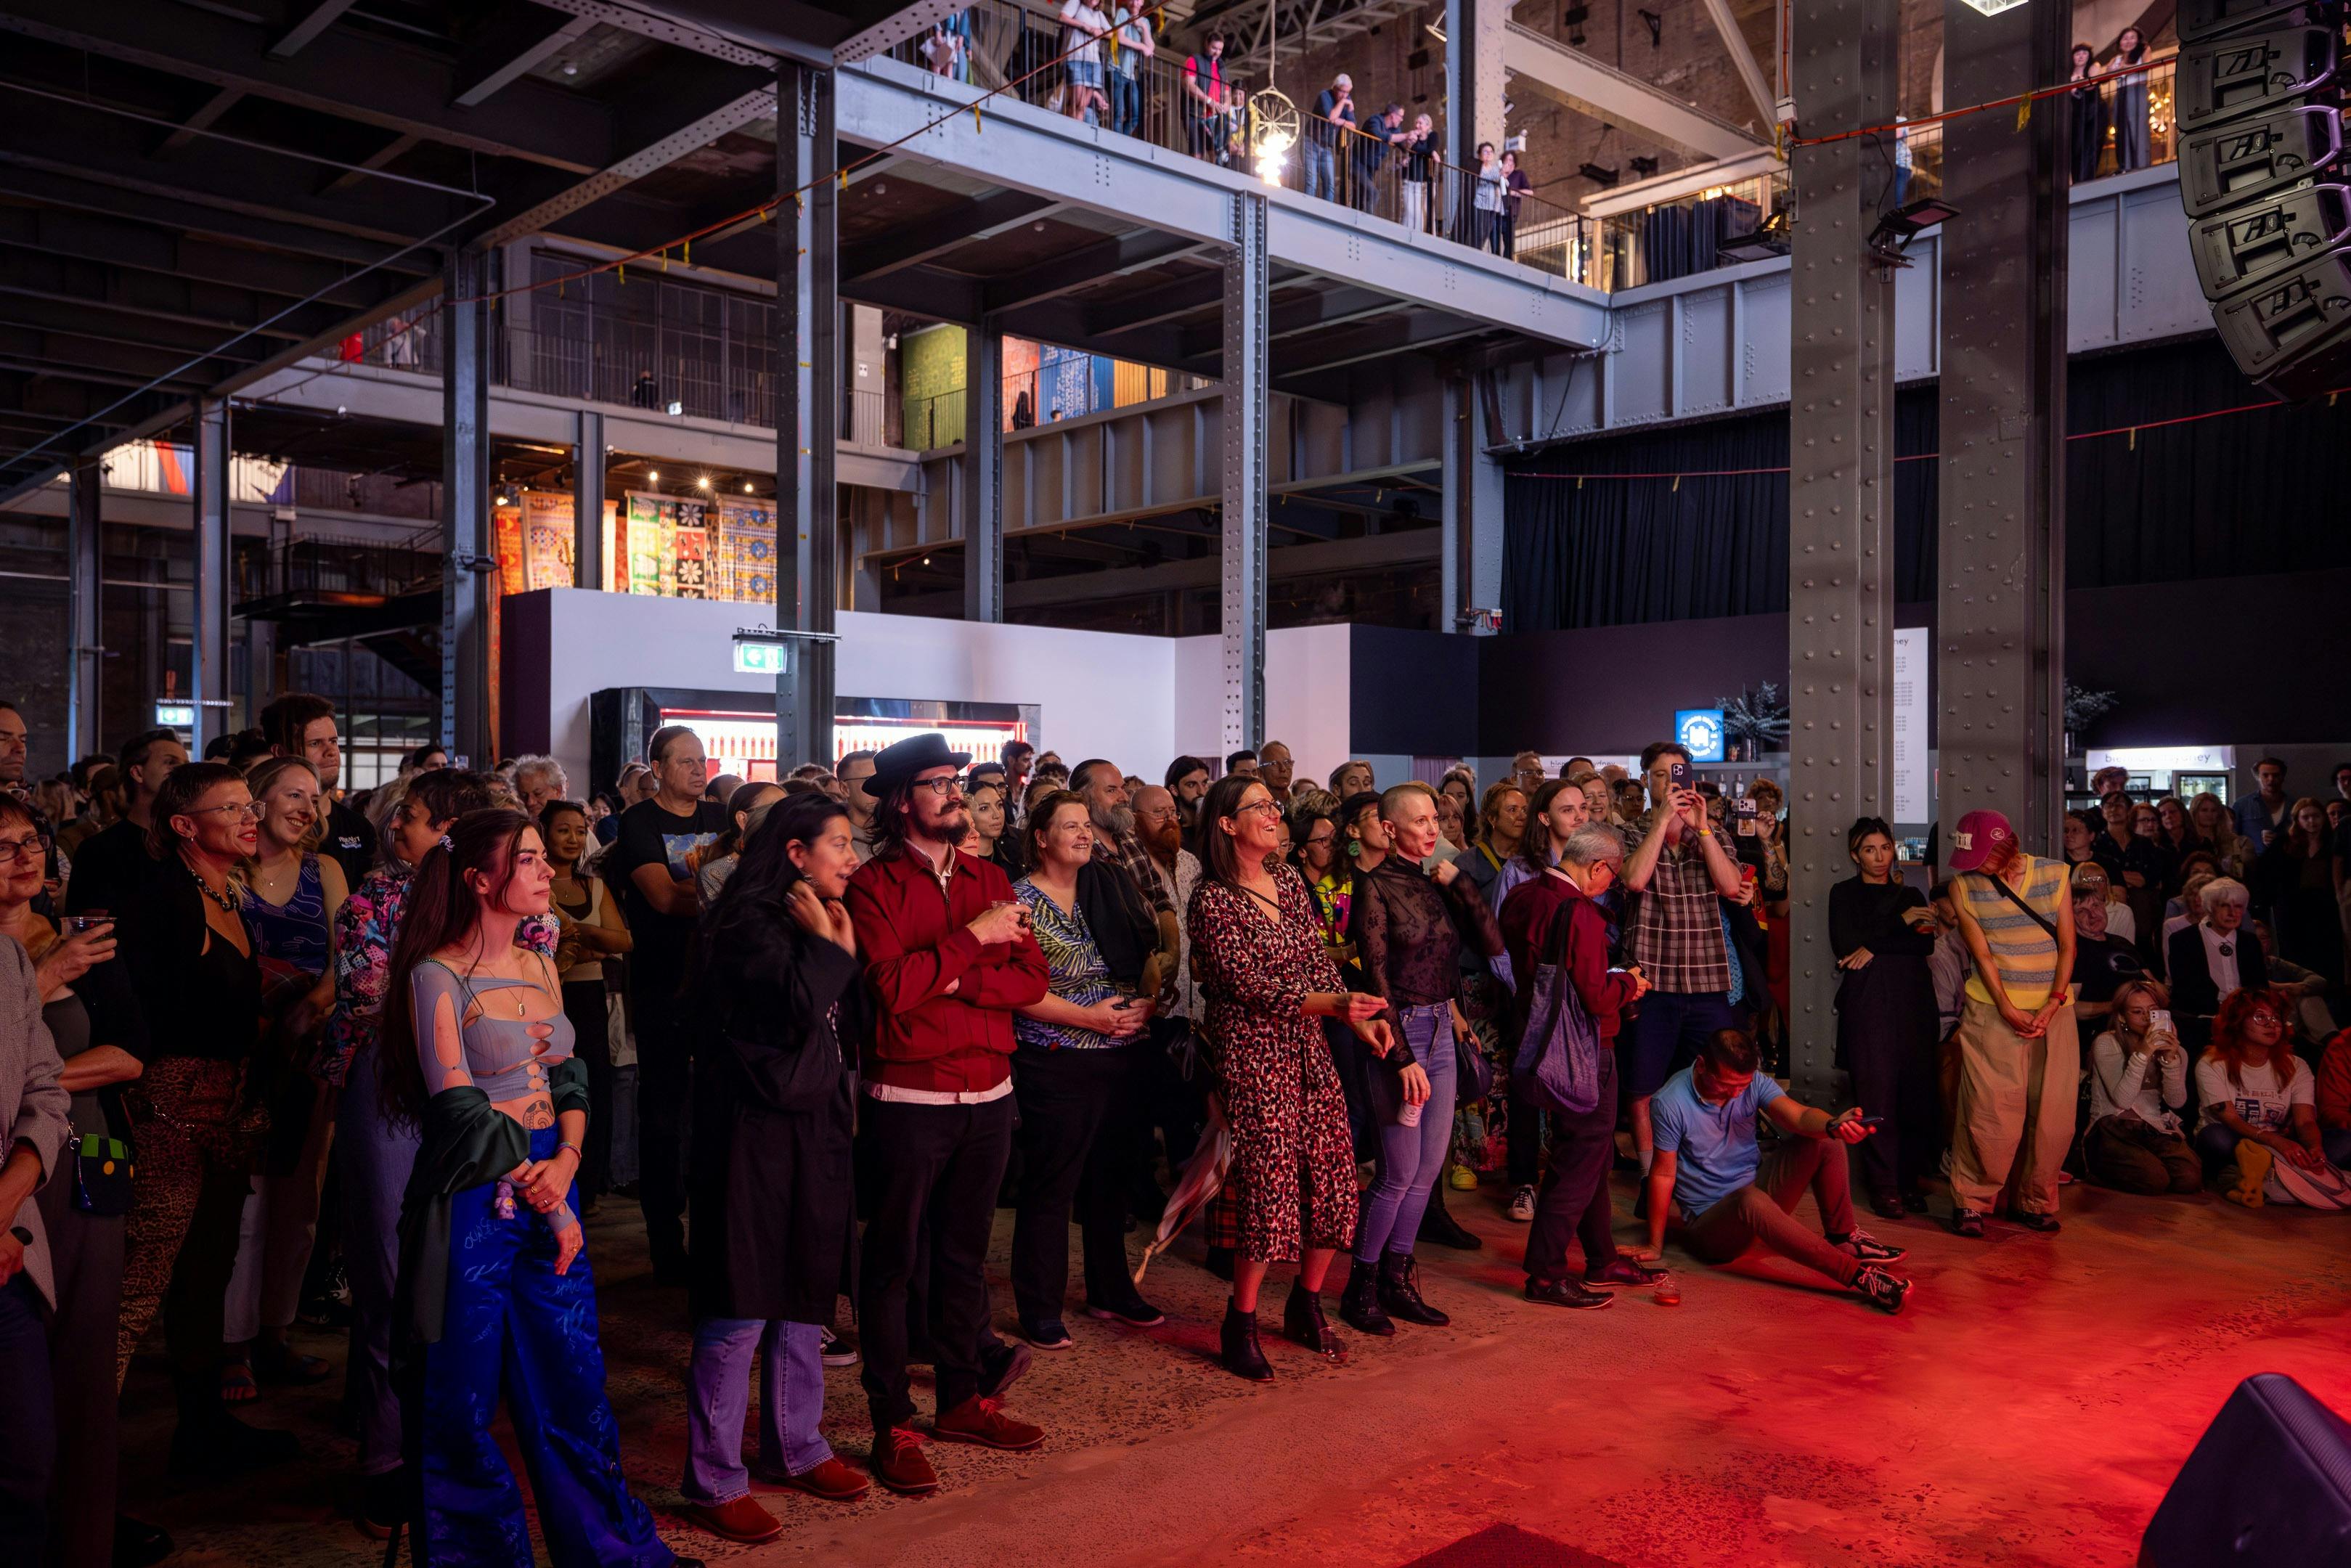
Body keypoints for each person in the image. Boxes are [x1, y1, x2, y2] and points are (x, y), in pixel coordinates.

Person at [382, 809, 684, 1564]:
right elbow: (454, 1101)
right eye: (528, 859)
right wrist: (537, 1181)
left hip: (554, 1173)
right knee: (461, 1396)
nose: (549, 870)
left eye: (544, 857)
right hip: (475, 1196)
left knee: (573, 1378)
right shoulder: (434, 974)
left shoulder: (542, 960)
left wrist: (567, 1168)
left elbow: (572, 1076)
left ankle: (612, 1551)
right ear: (480, 880)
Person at [844, 733, 1048, 1494]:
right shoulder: (872, 886)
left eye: (957, 781)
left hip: (989, 1092)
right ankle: (891, 1422)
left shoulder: (990, 874)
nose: (955, 793)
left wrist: (954, 980)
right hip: (909, 1098)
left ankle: (963, 1399)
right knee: (893, 1267)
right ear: (902, 801)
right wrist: (973, 941)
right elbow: (891, 989)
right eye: (939, 783)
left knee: (965, 1261)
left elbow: (1029, 979)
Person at [323, 767, 522, 1533]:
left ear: (452, 829)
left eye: (405, 814)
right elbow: (372, 1001)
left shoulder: (516, 905)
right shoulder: (375, 899)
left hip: (492, 1094)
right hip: (393, 1087)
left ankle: (455, 1442)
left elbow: (530, 999)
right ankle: (384, 1455)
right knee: (390, 1274)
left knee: (473, 1270)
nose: (391, 826)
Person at [679, 794, 873, 1543]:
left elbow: (843, 1022)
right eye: (838, 844)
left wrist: (838, 950)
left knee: (804, 1287)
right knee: (741, 1297)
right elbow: (795, 1007)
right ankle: (713, 1478)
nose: (852, 857)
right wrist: (833, 952)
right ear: (795, 854)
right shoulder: (746, 923)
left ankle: (797, 1446)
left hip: (815, 1124)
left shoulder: (819, 917)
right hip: (752, 1128)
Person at [115, 763, 297, 1475]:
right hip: (170, 1112)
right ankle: (76, 1481)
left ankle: (201, 1428)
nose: (251, 818)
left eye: (250, 804)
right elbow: (140, 1013)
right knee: (139, 1287)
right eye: (232, 809)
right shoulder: (162, 901)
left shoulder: (231, 889)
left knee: (207, 1273)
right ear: (184, 825)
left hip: (228, 1108)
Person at [1186, 775, 1393, 1379]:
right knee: (1270, 1185)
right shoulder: (1213, 898)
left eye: (1276, 807)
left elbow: (1309, 962)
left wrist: (1355, 1020)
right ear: (1228, 823)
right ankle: (1242, 1320)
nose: (1276, 815)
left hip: (1307, 1041)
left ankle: (1306, 1303)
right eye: (1262, 807)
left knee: (1333, 1171)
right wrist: (1335, 1007)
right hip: (1252, 1050)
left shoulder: (1288, 882)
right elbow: (1245, 985)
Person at [1, 792, 155, 1568]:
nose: (29, 857)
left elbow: (130, 1054)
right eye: (7, 845)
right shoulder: (34, 957)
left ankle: (85, 1536)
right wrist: (43, 975)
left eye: (35, 842)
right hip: (16, 1165)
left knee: (85, 1354)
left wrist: (39, 1090)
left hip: (86, 1156)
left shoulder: (86, 939)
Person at [1339, 783, 1502, 1334]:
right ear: (1389, 829)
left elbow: (1492, 943)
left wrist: (1463, 884)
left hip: (1439, 1030)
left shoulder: (1436, 880)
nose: (1433, 829)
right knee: (1398, 1173)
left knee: (1428, 1171)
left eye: (1437, 818)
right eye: (1420, 821)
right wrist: (1401, 1057)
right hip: (1397, 1035)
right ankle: (1360, 1288)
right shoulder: (1374, 888)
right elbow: (1377, 976)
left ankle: (1398, 1279)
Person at [1008, 792, 1160, 1348]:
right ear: (1041, 838)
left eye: (1087, 826)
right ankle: (1041, 1305)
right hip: (1057, 1056)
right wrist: (1087, 1019)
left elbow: (1144, 962)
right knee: (1053, 1185)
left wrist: (1147, 1002)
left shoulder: (1110, 886)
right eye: (1069, 826)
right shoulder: (1017, 901)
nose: (1083, 834)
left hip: (1123, 1051)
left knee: (1113, 1181)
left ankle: (1110, 1289)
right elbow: (1015, 991)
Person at [220, 756, 348, 1403]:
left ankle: (275, 1332)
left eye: (315, 795)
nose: (308, 805)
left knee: (299, 1205)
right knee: (244, 1205)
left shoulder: (323, 870)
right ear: (258, 801)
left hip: (309, 1053)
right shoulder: (227, 871)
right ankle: (231, 1343)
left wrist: (313, 1009)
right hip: (242, 1057)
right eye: (293, 793)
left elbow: (347, 954)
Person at [1639, 1029, 1912, 1312]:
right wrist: (1654, 1244)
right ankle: (1859, 1276)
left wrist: (1833, 1124)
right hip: (1712, 1226)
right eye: (1725, 1085)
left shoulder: (1752, 1082)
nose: (1734, 1094)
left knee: (1826, 1142)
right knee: (1750, 1200)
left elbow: (1800, 1116)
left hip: (1758, 1198)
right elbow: (1663, 1174)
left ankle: (1843, 1238)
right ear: (1702, 1064)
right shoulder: (1670, 1101)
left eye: (1741, 1087)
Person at [1507, 823, 1661, 1309]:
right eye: (1613, 878)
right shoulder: (1580, 913)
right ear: (1599, 867)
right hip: (1587, 1049)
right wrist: (1629, 985)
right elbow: (1595, 997)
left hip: (1540, 1041)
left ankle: (1601, 1257)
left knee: (1586, 1156)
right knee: (1580, 1159)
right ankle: (1546, 1273)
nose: (1610, 886)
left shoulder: (1524, 896)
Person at [609, 724, 727, 1282]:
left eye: (702, 760)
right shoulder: (638, 823)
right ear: (657, 768)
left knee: (713, 1111)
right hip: (661, 983)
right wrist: (714, 890)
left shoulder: (720, 820)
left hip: (714, 982)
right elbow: (661, 898)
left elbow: (730, 889)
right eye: (685, 761)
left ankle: (710, 1231)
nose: (698, 769)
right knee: (662, 1113)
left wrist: (702, 892)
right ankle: (663, 1238)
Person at [1945, 809, 2077, 1238]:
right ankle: (1971, 1201)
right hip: (1992, 1010)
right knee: (1989, 1110)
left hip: (2054, 1012)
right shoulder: (1963, 886)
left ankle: (2034, 1200)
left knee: (2053, 1114)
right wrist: (2004, 1005)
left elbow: (2068, 946)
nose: (1974, 866)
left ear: (2006, 846)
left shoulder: (2055, 875)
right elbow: (1981, 955)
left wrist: (2054, 1003)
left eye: (1982, 856)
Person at [1621, 743, 1748, 1178]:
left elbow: (1732, 888)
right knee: (1643, 1088)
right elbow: (1634, 880)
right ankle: (1649, 1181)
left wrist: (1704, 829)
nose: (1672, 782)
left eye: (1678, 773)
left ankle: (1704, 1176)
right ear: (1646, 781)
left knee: (1715, 1084)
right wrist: (1661, 824)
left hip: (1707, 982)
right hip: (1651, 984)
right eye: (1661, 774)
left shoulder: (1713, 832)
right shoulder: (1628, 833)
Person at [1828, 817, 1941, 1220]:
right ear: (1854, 855)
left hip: (1913, 1003)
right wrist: (1898, 926)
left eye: (1885, 848)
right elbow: (1845, 946)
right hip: (1868, 1005)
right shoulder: (1843, 894)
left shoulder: (1912, 891)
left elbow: (1924, 944)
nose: (1880, 857)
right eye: (1870, 850)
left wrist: (1873, 946)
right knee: (1876, 1095)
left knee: (1915, 1094)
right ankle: (1885, 1186)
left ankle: (1908, 1182)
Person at [0, 896, 67, 1558]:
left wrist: (12, 1190)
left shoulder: (7, 957)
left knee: (25, 1470)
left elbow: (44, 1090)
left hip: (8, 1256)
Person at [545, 801, 630, 1203]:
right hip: (552, 996)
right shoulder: (536, 885)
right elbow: (600, 941)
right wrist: (593, 939)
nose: (574, 839)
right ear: (544, 832)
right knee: (555, 1086)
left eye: (580, 831)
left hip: (591, 995)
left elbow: (624, 941)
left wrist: (576, 935)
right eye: (564, 830)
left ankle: (591, 1183)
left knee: (593, 1082)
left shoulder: (593, 886)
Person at [2196, 987, 2347, 1205]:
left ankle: (2260, 1174)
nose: (2272, 1024)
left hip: (2282, 1144)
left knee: (2344, 1142)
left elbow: (2305, 1121)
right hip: (2239, 1138)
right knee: (2215, 1138)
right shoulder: (2213, 1064)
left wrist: (2315, 1147)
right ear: (2238, 1022)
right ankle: (2272, 1173)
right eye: (2260, 1017)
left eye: (2276, 1017)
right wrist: (2275, 1142)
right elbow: (2230, 1119)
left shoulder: (2297, 1066)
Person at [2083, 979, 2200, 1195]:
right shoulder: (2107, 1042)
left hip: (2150, 1127)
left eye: (2153, 1011)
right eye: (2137, 1012)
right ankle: (2097, 1172)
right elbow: (2122, 1100)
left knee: (2189, 1179)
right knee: (2154, 1180)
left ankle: (2148, 1165)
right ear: (2122, 1016)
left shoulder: (2176, 1050)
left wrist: (2171, 1059)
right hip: (2112, 1125)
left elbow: (2176, 1102)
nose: (2147, 1018)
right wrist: (2144, 1053)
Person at [62, 729, 189, 919]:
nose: (181, 771)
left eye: (186, 764)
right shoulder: (98, 851)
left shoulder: (189, 843)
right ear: (138, 773)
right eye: (170, 762)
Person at [258, 693, 376, 889]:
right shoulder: (262, 827)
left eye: (334, 741)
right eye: (315, 743)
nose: (331, 751)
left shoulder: (359, 828)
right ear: (280, 753)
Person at [2166, 875, 2267, 1046]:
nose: (2233, 913)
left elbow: (2260, 987)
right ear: (2210, 907)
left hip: (2246, 1019)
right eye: (2225, 906)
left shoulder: (2250, 942)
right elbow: (2185, 991)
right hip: (2202, 1021)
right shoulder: (2182, 940)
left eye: (2238, 907)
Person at [2254, 797, 2342, 981]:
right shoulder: (2284, 844)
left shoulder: (2333, 843)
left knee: (2326, 956)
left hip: (2325, 909)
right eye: (2306, 817)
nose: (2312, 821)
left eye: (2316, 816)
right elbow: (2264, 872)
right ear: (2298, 820)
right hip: (2293, 909)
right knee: (2295, 957)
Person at [2066, 865, 2146, 1029]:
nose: (2092, 914)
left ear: (2105, 907)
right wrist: (2116, 1005)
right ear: (2070, 917)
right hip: (2105, 1028)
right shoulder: (2074, 951)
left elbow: (2155, 986)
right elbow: (2070, 1008)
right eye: (2081, 911)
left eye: (2096, 906)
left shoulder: (2122, 943)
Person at [696, 782, 782, 905]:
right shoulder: (716, 873)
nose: (786, 815)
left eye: (789, 807)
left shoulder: (795, 858)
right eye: (774, 809)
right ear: (743, 819)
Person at [1456, 782, 1527, 907]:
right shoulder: (1466, 864)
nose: (1522, 816)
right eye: (1513, 810)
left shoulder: (1534, 860)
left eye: (1525, 810)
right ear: (1492, 818)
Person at [1057, 0, 1110, 125]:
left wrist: (1099, 31)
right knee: (1076, 102)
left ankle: (1077, 132)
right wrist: (1085, 27)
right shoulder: (1076, 3)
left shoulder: (1099, 14)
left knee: (1082, 106)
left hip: (1093, 61)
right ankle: (1071, 131)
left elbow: (1111, 33)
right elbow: (1062, 17)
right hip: (1075, 58)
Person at [1107, 1, 1152, 138]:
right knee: (1119, 112)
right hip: (1115, 68)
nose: (1134, 2)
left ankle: (1121, 140)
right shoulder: (1123, 13)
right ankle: (1116, 142)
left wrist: (1142, 27)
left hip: (1130, 74)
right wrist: (1141, 47)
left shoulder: (1144, 21)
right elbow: (1120, 38)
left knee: (1136, 115)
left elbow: (1150, 48)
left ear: (1142, 2)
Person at [1305, 73, 1354, 201]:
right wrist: (1344, 103)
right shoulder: (1325, 96)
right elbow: (1331, 117)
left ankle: (1328, 213)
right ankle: (1307, 210)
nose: (1345, 95)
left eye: (1347, 93)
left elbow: (1353, 125)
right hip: (1311, 142)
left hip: (1327, 147)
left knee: (1330, 184)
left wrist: (1342, 122)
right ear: (1335, 88)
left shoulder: (1347, 100)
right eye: (1342, 92)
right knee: (1311, 180)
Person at [966, 777, 1024, 880]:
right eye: (984, 808)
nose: (997, 815)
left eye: (999, 805)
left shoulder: (1012, 858)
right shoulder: (958, 864)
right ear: (967, 814)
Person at [2111, 26, 2151, 172]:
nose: (2128, 41)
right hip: (2120, 93)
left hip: (2137, 89)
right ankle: (2125, 165)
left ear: (2138, 40)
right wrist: (2120, 67)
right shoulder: (2117, 59)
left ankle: (2141, 165)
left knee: (2138, 128)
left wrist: (2123, 67)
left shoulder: (2144, 50)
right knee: (2121, 128)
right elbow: (2107, 72)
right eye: (2125, 38)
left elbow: (2146, 66)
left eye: (2132, 37)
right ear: (2120, 42)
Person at [2236, 756, 2291, 858]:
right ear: (2257, 777)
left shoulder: (2294, 805)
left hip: (2287, 861)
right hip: (2253, 864)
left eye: (2276, 775)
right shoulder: (2242, 805)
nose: (2271, 779)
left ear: (2283, 777)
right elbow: (2233, 837)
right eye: (2266, 775)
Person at [1182, 33, 1226, 160]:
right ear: (1206, 45)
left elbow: (1227, 92)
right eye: (1214, 48)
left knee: (1215, 152)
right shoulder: (1194, 60)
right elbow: (1188, 84)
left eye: (1220, 50)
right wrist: (1208, 100)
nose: (1217, 52)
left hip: (1214, 116)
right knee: (1197, 153)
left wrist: (1226, 105)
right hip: (1194, 113)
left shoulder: (1221, 67)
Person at [2067, 41, 2106, 183]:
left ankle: (2087, 178)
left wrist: (2077, 82)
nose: (2081, 56)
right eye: (2078, 54)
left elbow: (2091, 84)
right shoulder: (2068, 74)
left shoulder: (2093, 67)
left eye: (2084, 53)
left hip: (2093, 112)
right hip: (2076, 115)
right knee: (2075, 147)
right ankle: (2077, 179)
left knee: (2090, 146)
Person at [835, 748, 879, 860]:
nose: (879, 789)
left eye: (880, 780)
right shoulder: (834, 840)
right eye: (869, 781)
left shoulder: (901, 832)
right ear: (845, 789)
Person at [1398, 113, 1435, 233]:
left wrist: (1428, 152)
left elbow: (1430, 149)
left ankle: (1418, 237)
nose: (1417, 125)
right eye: (1416, 123)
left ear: (1428, 125)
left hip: (1423, 181)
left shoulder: (1432, 136)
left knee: (1421, 213)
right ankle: (1405, 236)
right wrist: (1411, 143)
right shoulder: (1412, 136)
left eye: (1420, 123)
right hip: (1409, 178)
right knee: (1409, 211)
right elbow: (1405, 149)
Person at [1471, 142, 1506, 253]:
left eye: (1491, 152)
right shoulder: (1478, 167)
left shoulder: (1495, 168)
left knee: (1488, 232)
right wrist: (1498, 176)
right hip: (1482, 204)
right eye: (1485, 152)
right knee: (1480, 232)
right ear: (1480, 154)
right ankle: (1476, 251)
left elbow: (1504, 182)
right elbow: (1481, 179)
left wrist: (1503, 178)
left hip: (1494, 206)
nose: (1488, 154)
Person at [1496, 149, 1532, 258]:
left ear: (1514, 163)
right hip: (1497, 210)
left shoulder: (1519, 174)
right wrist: (1502, 175)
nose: (1508, 162)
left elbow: (1530, 192)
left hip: (1510, 211)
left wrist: (1512, 192)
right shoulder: (1498, 174)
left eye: (1511, 160)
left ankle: (1507, 261)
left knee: (1508, 240)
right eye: (1506, 160)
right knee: (1495, 239)